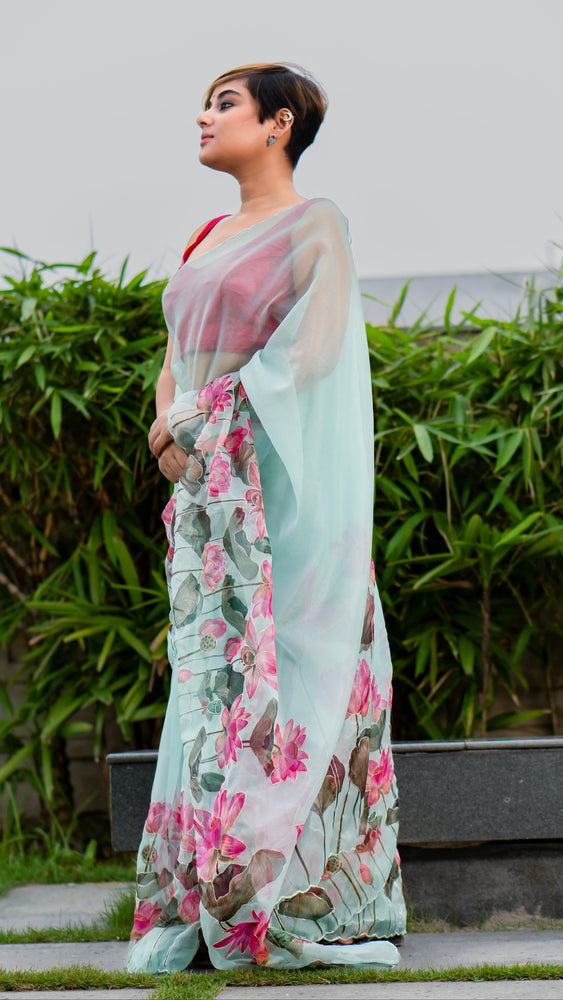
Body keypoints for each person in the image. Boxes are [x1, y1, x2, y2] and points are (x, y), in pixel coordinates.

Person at [127, 62, 406, 973]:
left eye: (224, 103)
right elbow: (178, 355)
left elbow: (311, 357)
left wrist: (199, 422)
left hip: (284, 504)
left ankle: (292, 893)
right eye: (204, 102)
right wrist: (169, 429)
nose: (202, 117)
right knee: (215, 689)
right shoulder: (207, 232)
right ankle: (209, 884)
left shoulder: (316, 226)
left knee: (291, 680)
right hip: (210, 504)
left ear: (278, 123)